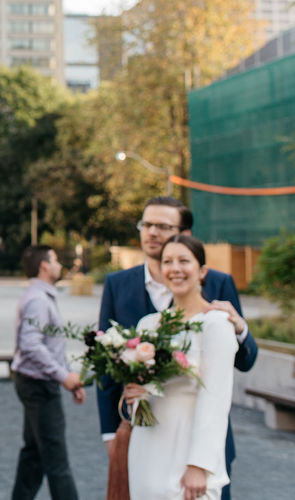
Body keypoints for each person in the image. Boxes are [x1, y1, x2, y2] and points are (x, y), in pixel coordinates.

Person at [98, 196, 257, 500]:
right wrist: (121, 413)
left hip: (199, 446)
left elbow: (227, 379)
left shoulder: (218, 300)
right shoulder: (128, 298)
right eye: (147, 224)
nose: (152, 232)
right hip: (145, 440)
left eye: (163, 226)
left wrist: (240, 329)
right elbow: (107, 365)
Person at [125, 234, 238, 500]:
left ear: (202, 271)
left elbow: (216, 398)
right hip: (147, 445)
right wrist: (134, 394)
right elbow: (144, 390)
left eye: (183, 261)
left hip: (188, 447)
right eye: (167, 262)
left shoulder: (216, 325)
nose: (175, 268)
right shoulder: (148, 325)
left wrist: (199, 465)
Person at [10, 245, 86, 500]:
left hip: (35, 382)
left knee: (35, 454)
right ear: (44, 265)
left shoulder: (39, 296)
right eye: (54, 260)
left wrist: (68, 376)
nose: (58, 265)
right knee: (56, 460)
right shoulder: (38, 300)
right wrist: (63, 376)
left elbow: (50, 345)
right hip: (38, 386)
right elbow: (30, 344)